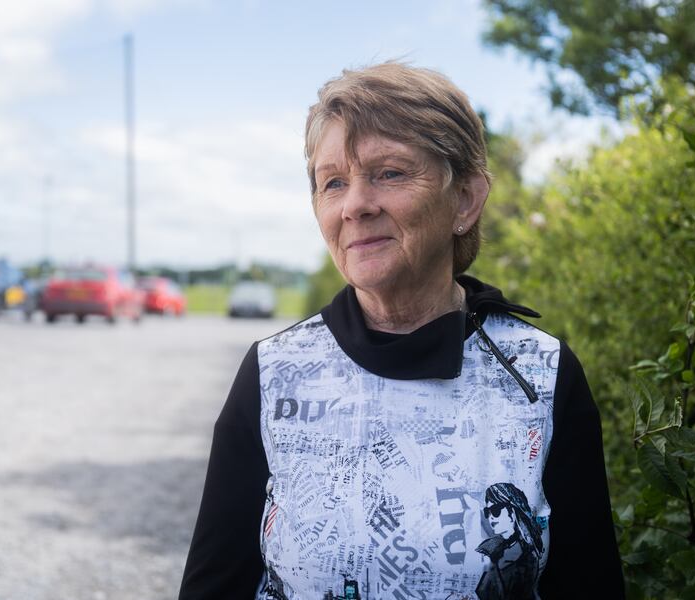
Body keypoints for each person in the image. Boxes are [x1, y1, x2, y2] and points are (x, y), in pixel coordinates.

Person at [178, 62, 624, 599]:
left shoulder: (540, 376)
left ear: (464, 199)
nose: (355, 205)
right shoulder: (276, 374)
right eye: (333, 182)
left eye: (389, 172)